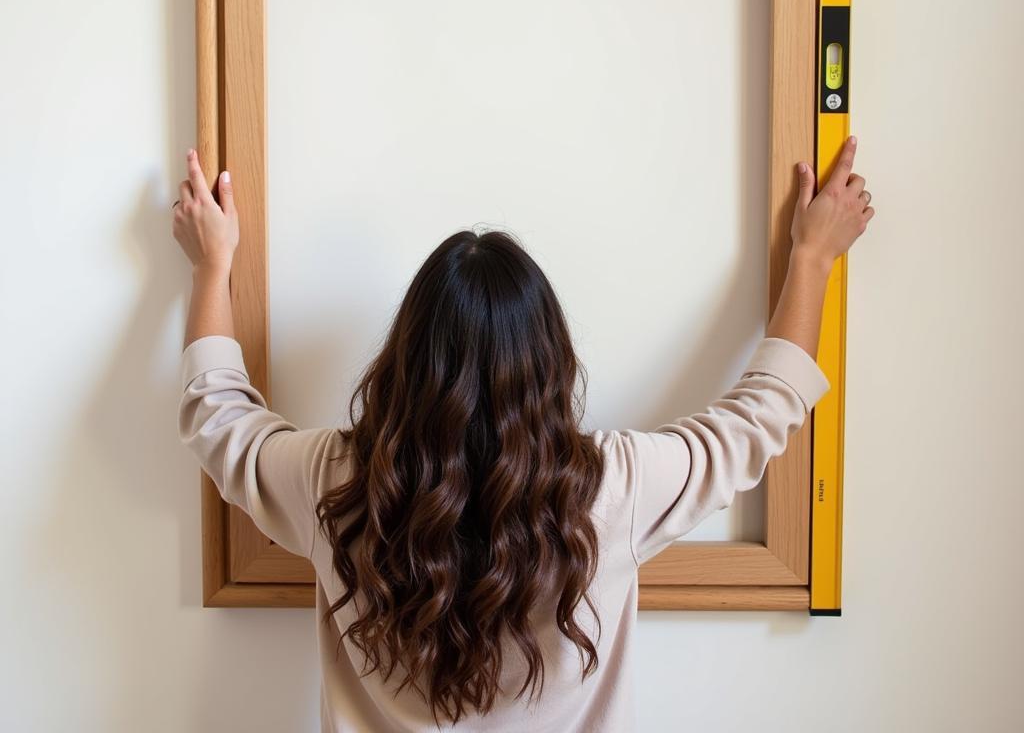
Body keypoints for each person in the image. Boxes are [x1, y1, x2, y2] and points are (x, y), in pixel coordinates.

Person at [172, 137, 873, 732]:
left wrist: (213, 268)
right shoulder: (615, 488)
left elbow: (217, 413)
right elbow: (763, 412)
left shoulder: (338, 483)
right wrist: (811, 258)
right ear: (550, 364)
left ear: (405, 360)